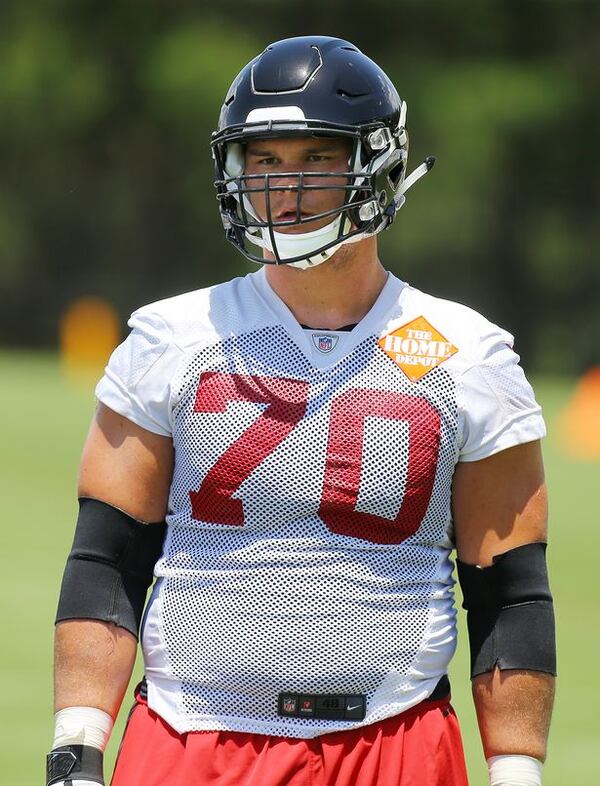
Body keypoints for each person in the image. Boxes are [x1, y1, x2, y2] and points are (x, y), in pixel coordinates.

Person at [47, 36, 556, 786]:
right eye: (264, 160)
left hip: (395, 733)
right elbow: (108, 559)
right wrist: (77, 743)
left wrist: (517, 773)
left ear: (379, 163)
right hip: (194, 733)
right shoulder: (172, 337)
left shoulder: (468, 355)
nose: (285, 189)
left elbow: (508, 591)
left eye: (317, 160)